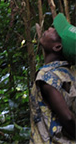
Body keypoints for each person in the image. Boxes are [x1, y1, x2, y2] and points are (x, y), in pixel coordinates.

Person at [30, 13, 76, 143]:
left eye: (54, 31)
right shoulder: (70, 73)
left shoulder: (46, 76)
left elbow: (67, 117)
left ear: (57, 47)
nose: (50, 28)